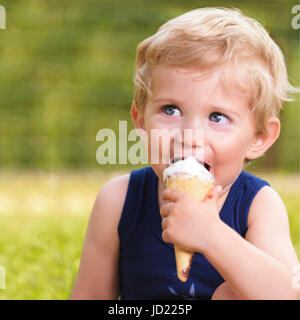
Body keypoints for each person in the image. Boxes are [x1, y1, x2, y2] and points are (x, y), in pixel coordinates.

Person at [70, 7, 299, 300]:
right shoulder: (117, 201)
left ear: (260, 137)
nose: (190, 135)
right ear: (141, 120)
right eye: (171, 110)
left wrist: (212, 235)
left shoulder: (258, 205)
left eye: (217, 117)